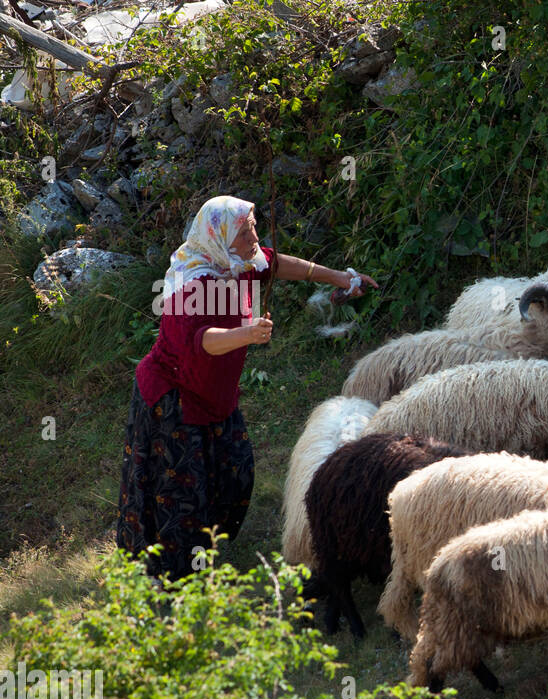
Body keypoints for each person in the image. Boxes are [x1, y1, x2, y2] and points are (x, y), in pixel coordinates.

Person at [116, 194, 377, 581]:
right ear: (222, 236)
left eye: (253, 224)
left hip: (215, 396)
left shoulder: (238, 260)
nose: (254, 233)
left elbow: (277, 264)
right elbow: (200, 341)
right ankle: (169, 579)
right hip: (175, 399)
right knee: (180, 494)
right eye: (246, 228)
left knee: (235, 473)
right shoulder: (194, 282)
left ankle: (203, 552)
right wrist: (247, 334)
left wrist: (341, 277)